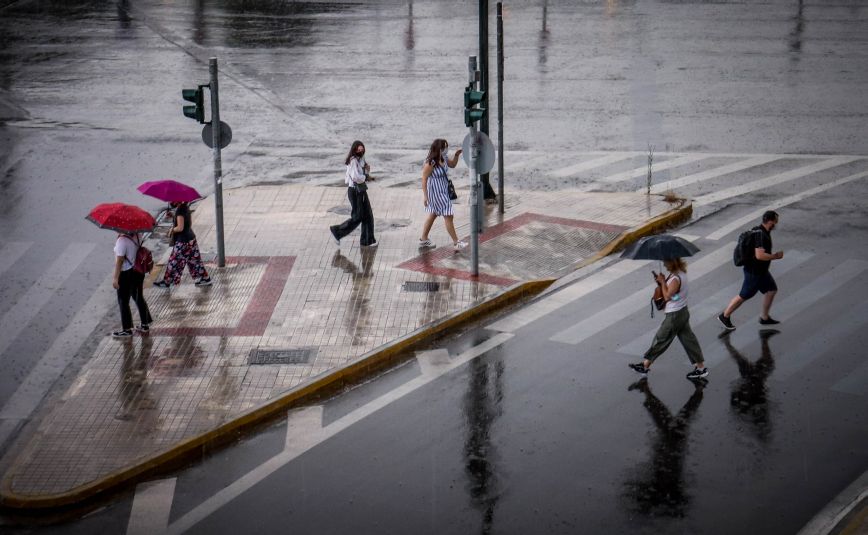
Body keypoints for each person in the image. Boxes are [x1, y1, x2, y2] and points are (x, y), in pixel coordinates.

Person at [629, 257, 708, 380]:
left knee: (661, 339)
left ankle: (644, 366)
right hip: (682, 311)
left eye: (666, 262)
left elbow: (667, 297)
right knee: (689, 340)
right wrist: (662, 282)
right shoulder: (681, 273)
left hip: (674, 315)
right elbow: (675, 295)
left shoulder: (675, 278)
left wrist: (662, 282)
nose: (664, 264)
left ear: (672, 262)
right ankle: (701, 368)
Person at [718, 210, 783, 330]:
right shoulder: (761, 236)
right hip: (755, 272)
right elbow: (760, 255)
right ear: (770, 222)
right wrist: (775, 256)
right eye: (775, 221)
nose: (776, 224)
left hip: (761, 271)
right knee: (744, 295)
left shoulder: (759, 230)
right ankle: (724, 315)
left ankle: (764, 317)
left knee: (771, 290)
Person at [418, 138, 467, 251]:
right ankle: (456, 242)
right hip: (435, 193)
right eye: (444, 147)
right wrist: (425, 196)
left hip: (443, 191)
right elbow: (424, 179)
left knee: (433, 214)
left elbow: (453, 165)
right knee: (449, 215)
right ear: (439, 149)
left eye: (446, 147)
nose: (446, 149)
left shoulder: (443, 158)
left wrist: (456, 155)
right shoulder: (431, 163)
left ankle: (423, 239)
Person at [153, 201, 211, 288]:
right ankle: (205, 278)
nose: (171, 201)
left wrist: (171, 230)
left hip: (183, 242)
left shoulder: (180, 210)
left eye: (173, 199)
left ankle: (167, 281)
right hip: (191, 239)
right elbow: (187, 223)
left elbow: (180, 228)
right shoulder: (185, 207)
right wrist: (173, 216)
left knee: (173, 261)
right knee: (195, 261)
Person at [330, 140, 377, 248]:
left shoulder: (360, 160)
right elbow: (356, 177)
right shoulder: (353, 161)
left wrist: (367, 172)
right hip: (355, 191)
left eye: (362, 149)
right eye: (358, 150)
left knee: (368, 215)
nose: (361, 151)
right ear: (354, 150)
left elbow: (362, 175)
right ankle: (337, 231)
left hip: (361, 190)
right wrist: (365, 177)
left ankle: (367, 240)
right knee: (358, 216)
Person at [112, 232, 153, 337]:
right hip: (138, 271)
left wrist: (115, 278)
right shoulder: (138, 235)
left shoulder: (122, 240)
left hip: (126, 272)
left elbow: (120, 260)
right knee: (138, 296)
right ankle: (145, 324)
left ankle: (126, 329)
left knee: (123, 301)